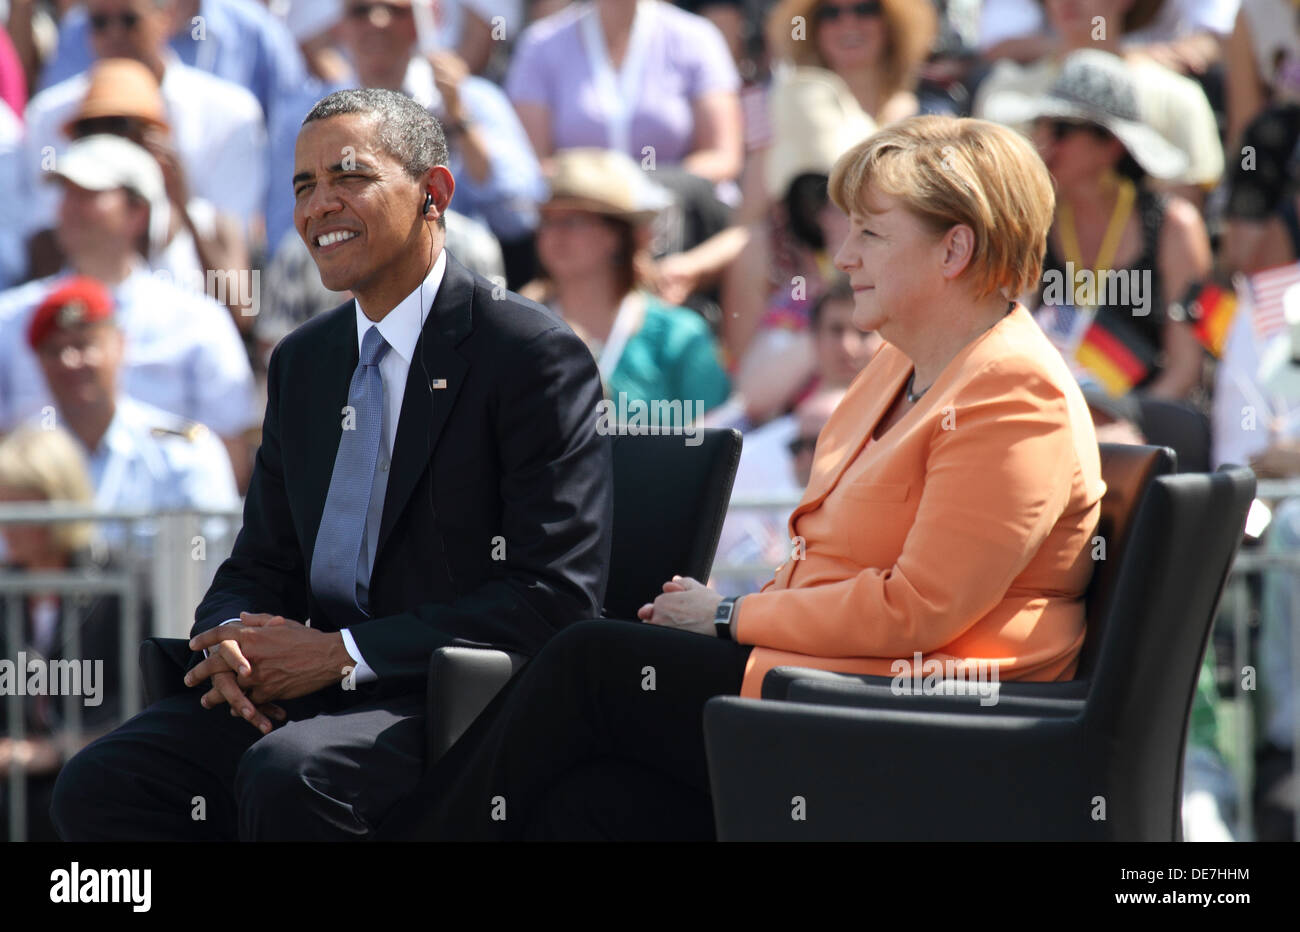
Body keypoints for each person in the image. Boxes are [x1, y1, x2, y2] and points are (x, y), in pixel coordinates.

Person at [377, 114, 1106, 841]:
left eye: (872, 234)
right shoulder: (900, 363)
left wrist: (728, 618)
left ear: (955, 248)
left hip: (919, 720)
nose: (843, 255)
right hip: (828, 684)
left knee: (589, 660)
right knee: (590, 806)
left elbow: (919, 609)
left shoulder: (1011, 391)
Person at [49, 87, 613, 841]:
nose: (319, 206)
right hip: (309, 690)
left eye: (349, 176)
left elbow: (554, 596)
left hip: (452, 698)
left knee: (289, 776)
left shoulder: (530, 355)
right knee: (101, 783)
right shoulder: (304, 361)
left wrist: (342, 655)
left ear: (433, 194)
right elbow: (262, 560)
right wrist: (230, 642)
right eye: (303, 187)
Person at [0, 133, 259, 488]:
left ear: (138, 212)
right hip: (37, 535)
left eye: (89, 193)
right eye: (65, 193)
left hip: (168, 534)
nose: (69, 207)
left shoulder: (198, 320)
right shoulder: (9, 317)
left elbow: (231, 452)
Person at [984, 50, 1211, 401]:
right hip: (1048, 416)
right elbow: (1005, 345)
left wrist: (1118, 425)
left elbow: (1185, 369)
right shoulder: (1030, 225)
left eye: (1061, 130)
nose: (1044, 144)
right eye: (1040, 126)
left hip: (1143, 430)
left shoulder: (1175, 227)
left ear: (1112, 145)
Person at [25, 276, 239, 549]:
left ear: (119, 345)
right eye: (54, 351)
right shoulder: (23, 459)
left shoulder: (182, 452)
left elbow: (215, 556)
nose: (69, 361)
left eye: (83, 344)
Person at [522, 147, 731, 421]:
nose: (553, 234)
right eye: (547, 221)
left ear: (618, 235)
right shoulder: (517, 330)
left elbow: (715, 437)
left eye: (573, 221)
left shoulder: (678, 336)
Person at [0, 425, 125, 842]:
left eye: (24, 507)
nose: (9, 523)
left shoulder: (120, 585)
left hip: (96, 774)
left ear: (61, 503)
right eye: (4, 505)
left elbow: (140, 706)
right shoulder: (6, 589)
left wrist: (50, 752)